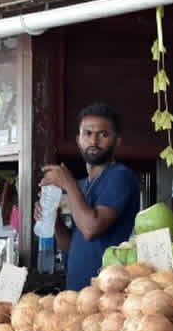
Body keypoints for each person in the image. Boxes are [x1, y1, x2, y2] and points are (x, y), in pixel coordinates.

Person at [36, 103, 140, 290]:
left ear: (117, 141)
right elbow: (71, 245)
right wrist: (54, 220)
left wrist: (68, 183)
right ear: (78, 140)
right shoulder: (82, 185)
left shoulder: (120, 176)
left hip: (108, 294)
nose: (94, 141)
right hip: (76, 294)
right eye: (88, 133)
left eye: (103, 134)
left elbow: (91, 228)